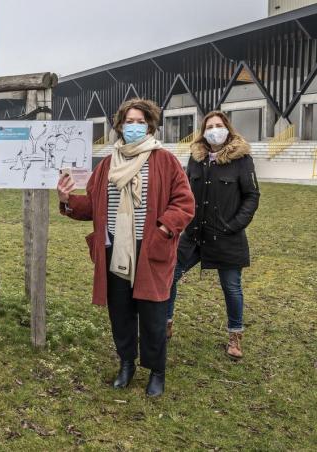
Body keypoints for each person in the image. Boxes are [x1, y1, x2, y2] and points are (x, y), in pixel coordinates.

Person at [57, 98, 194, 396]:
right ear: (119, 125)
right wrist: (68, 200)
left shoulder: (164, 160)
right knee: (120, 312)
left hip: (150, 250)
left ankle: (157, 371)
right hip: (114, 249)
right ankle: (126, 363)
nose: (133, 126)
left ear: (150, 125)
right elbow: (93, 205)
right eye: (128, 121)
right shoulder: (107, 164)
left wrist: (162, 229)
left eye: (139, 121)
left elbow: (184, 203)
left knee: (153, 314)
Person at [166, 111, 260, 359]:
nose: (214, 129)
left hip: (227, 237)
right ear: (203, 131)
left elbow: (252, 196)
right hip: (194, 235)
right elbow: (184, 190)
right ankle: (165, 322)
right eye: (210, 126)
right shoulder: (196, 159)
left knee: (231, 287)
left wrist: (235, 225)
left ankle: (235, 336)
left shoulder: (242, 160)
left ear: (228, 128)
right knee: (169, 275)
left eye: (219, 125)